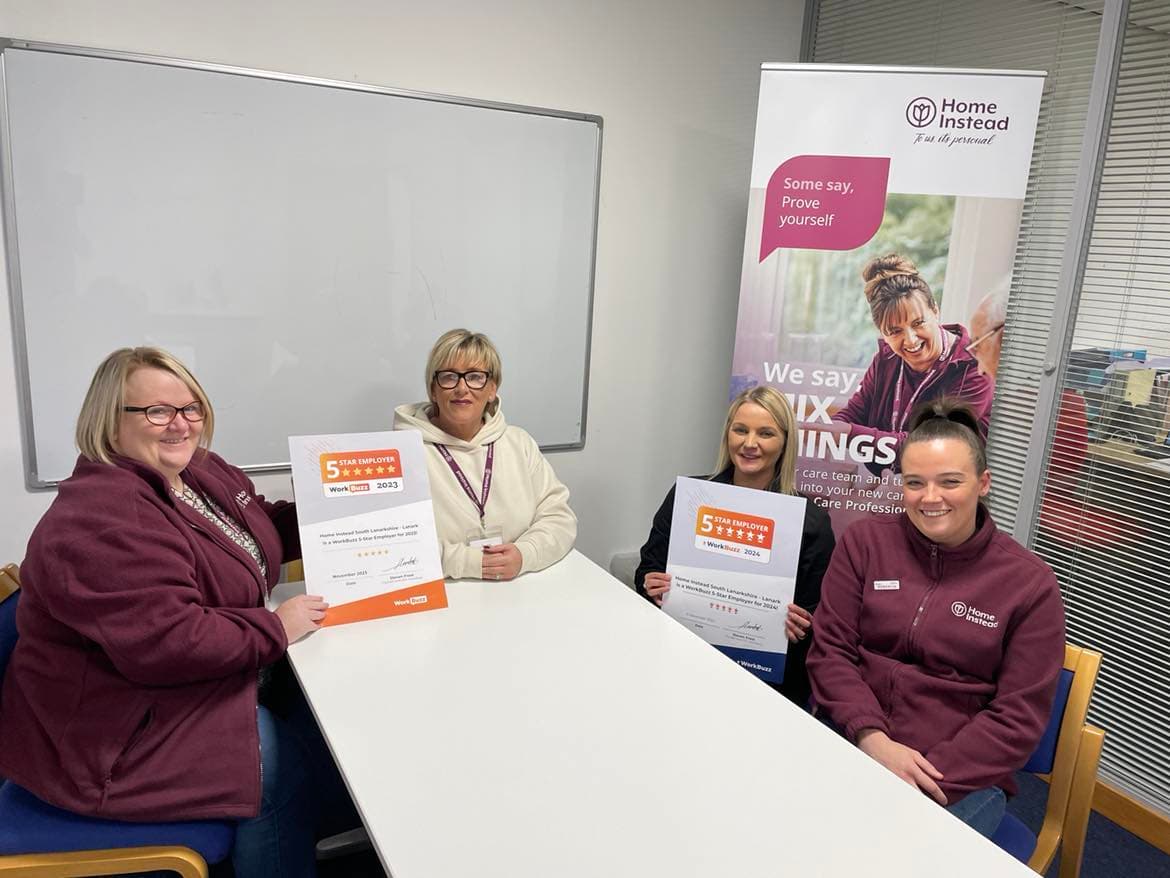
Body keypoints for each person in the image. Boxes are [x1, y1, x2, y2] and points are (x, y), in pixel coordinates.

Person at [0, 347, 353, 878]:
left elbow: (255, 532)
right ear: (108, 420)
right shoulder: (100, 518)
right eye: (156, 411)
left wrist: (346, 510)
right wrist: (276, 627)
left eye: (191, 408)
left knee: (328, 721)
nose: (180, 425)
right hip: (111, 737)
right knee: (274, 765)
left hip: (174, 692)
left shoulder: (196, 474)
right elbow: (170, 640)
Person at [807, 397, 1065, 838]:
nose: (930, 498)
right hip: (851, 736)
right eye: (915, 482)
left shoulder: (1029, 584)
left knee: (876, 856)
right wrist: (873, 739)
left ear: (983, 482)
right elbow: (831, 650)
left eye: (950, 482)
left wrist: (925, 774)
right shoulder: (865, 543)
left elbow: (1017, 717)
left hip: (954, 777)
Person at [634, 386, 836, 707]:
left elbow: (820, 616)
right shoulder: (689, 498)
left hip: (766, 685)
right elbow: (646, 572)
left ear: (784, 442)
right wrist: (651, 586)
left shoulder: (811, 521)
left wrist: (803, 625)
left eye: (765, 433)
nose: (749, 443)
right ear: (728, 434)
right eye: (740, 430)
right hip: (684, 661)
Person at [393, 328, 577, 580]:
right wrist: (468, 562)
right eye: (449, 377)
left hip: (523, 588)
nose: (461, 388)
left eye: (475, 377)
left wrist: (525, 554)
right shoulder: (402, 453)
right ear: (433, 390)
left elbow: (559, 518)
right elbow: (393, 542)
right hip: (443, 593)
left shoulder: (519, 443)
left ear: (492, 388)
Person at [833, 254, 994, 459]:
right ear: (881, 332)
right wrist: (828, 429)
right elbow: (856, 412)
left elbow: (932, 446)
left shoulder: (973, 367)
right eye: (894, 331)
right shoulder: (886, 359)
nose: (910, 340)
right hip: (885, 483)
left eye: (918, 323)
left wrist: (847, 434)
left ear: (935, 310)